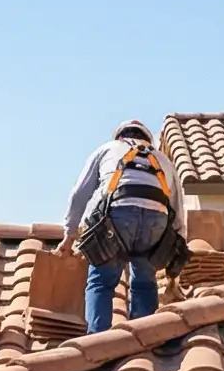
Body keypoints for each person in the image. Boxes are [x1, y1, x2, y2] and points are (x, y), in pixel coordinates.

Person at [65, 119, 189, 334]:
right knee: (143, 281)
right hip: (155, 221)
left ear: (119, 137)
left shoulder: (108, 149)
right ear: (148, 140)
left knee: (102, 282)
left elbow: (79, 194)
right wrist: (178, 251)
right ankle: (140, 340)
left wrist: (69, 234)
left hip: (117, 216)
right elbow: (178, 210)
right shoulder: (163, 160)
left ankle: (97, 340)